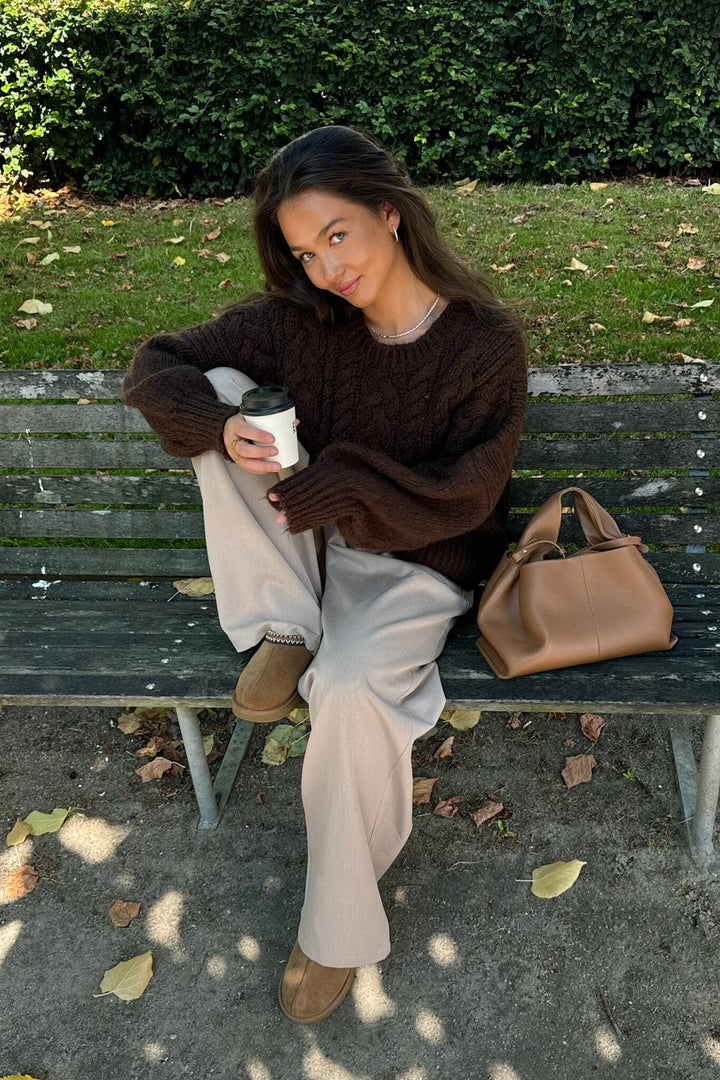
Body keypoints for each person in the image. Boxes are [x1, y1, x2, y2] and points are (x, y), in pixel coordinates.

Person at [122, 125, 527, 1024]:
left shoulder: (484, 343)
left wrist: (342, 486)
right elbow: (156, 366)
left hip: (413, 561)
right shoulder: (301, 323)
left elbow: (467, 497)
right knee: (221, 388)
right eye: (305, 252)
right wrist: (223, 428)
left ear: (390, 212)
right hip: (301, 549)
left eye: (337, 236)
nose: (326, 268)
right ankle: (285, 628)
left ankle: (334, 929)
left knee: (348, 692)